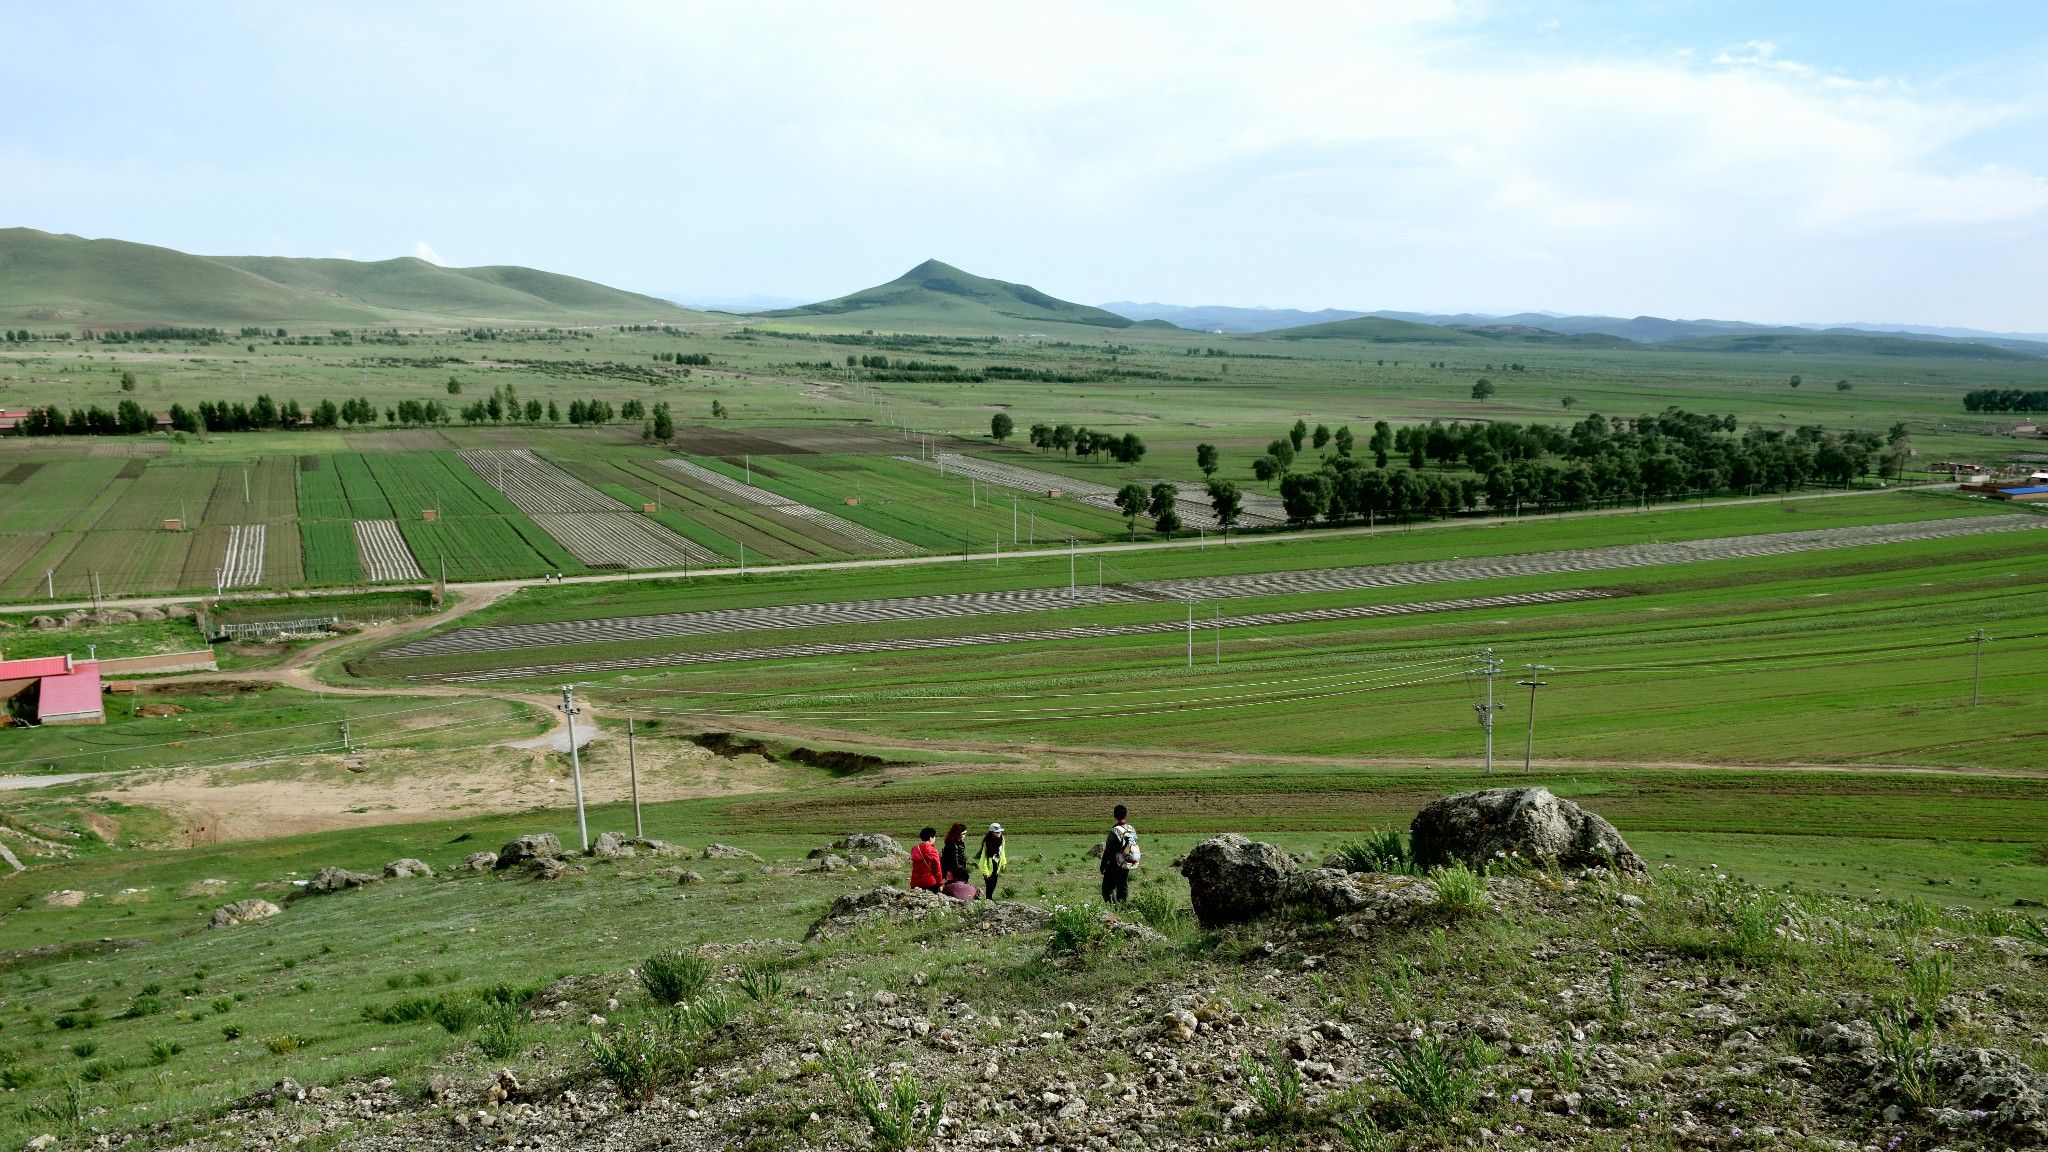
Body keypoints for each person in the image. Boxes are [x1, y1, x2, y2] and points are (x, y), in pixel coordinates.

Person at [1100, 804, 1137, 905]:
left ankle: (1114, 907)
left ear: (1115, 815)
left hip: (1115, 863)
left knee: (1108, 888)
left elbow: (1108, 850)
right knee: (1122, 885)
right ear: (1126, 815)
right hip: (1127, 861)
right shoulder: (1131, 829)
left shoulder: (1114, 831)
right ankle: (1123, 905)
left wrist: (1103, 865)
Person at [977, 823, 1007, 901]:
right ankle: (988, 899)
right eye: (997, 832)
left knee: (994, 882)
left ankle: (989, 899)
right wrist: (985, 871)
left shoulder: (1002, 840)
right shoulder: (987, 842)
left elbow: (1002, 852)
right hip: (989, 865)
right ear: (992, 833)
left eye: (1000, 831)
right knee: (989, 883)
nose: (999, 833)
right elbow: (983, 858)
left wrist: (1003, 863)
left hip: (997, 863)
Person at [909, 826, 942, 892]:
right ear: (930, 838)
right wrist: (940, 883)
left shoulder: (914, 849)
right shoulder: (932, 850)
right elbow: (937, 868)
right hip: (929, 882)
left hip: (915, 882)